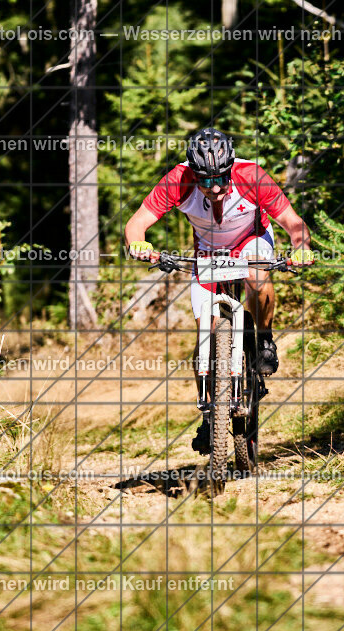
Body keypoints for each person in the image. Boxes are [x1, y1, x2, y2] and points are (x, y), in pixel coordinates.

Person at [123, 127, 314, 452]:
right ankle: (210, 417)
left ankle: (264, 338)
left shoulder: (251, 175)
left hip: (251, 240)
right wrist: (139, 245)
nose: (214, 188)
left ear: (230, 169)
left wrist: (302, 247)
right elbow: (136, 223)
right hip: (208, 252)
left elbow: (293, 223)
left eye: (220, 180)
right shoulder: (178, 180)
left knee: (257, 272)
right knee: (206, 337)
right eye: (205, 180)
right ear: (193, 173)